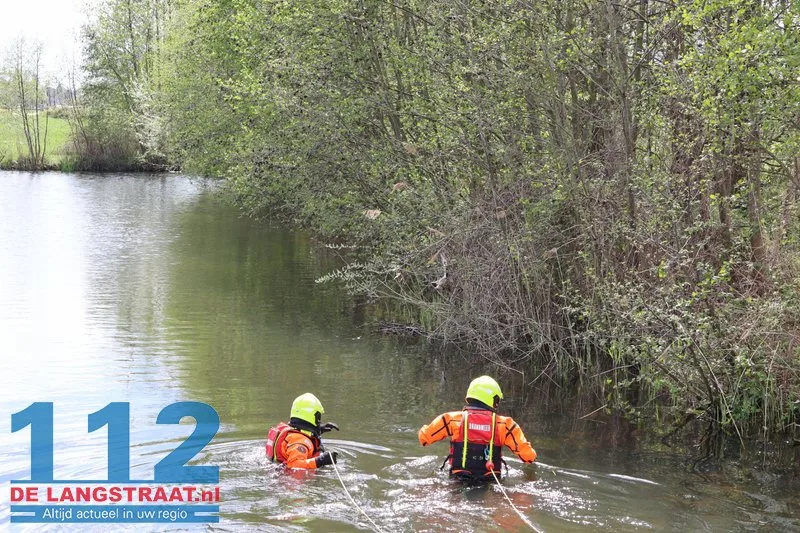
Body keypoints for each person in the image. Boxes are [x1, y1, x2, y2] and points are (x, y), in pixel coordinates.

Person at [418, 375, 537, 482]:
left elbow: (424, 438)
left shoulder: (451, 419)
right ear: (494, 400)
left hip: (458, 480)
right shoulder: (506, 425)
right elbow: (529, 457)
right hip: (490, 481)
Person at [266, 392, 340, 469]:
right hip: (288, 477)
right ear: (315, 416)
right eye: (318, 418)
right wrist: (320, 461)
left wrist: (318, 430)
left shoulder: (291, 433)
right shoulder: (300, 441)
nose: (319, 421)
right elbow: (293, 465)